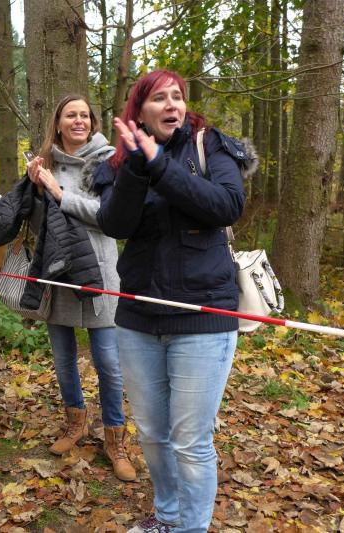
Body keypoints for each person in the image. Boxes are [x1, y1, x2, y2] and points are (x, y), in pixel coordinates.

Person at [94, 70, 248, 532]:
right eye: (158, 98)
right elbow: (115, 224)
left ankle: (191, 528)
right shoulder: (119, 162)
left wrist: (160, 163)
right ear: (139, 111)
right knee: (153, 435)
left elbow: (226, 206)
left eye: (176, 96)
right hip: (139, 319)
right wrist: (137, 165)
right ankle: (167, 517)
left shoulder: (209, 145)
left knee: (190, 441)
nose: (171, 105)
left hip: (203, 318)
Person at [0, 95, 136, 482]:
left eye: (84, 115)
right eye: (70, 115)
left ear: (92, 122)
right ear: (57, 123)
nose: (78, 121)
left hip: (99, 274)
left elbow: (110, 219)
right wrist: (36, 189)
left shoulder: (109, 161)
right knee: (63, 358)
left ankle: (115, 438)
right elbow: (39, 225)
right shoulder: (46, 163)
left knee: (108, 363)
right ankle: (75, 422)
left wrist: (60, 193)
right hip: (57, 274)